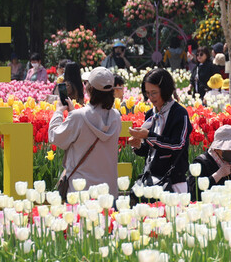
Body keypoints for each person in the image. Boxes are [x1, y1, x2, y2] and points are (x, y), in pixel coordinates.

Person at [48, 67, 121, 199]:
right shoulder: (116, 116)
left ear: (89, 89)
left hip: (81, 190)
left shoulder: (79, 117)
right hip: (108, 192)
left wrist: (59, 111)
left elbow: (55, 137)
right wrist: (73, 113)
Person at [129, 68, 192, 195]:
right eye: (147, 93)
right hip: (151, 180)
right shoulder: (150, 115)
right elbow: (149, 151)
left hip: (173, 181)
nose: (150, 97)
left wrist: (148, 136)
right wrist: (138, 145)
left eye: (154, 93)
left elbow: (178, 145)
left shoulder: (179, 113)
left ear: (165, 90)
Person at [188, 124, 231, 201]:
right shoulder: (201, 162)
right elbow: (195, 192)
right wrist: (218, 175)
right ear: (217, 148)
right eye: (228, 148)